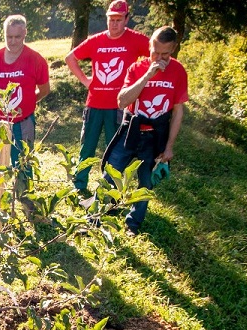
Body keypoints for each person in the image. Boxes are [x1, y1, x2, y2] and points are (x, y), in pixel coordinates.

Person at [104, 26, 188, 236]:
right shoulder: (137, 68)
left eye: (165, 54)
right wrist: (149, 74)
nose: (159, 58)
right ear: (149, 47)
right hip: (131, 129)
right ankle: (102, 215)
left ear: (173, 49)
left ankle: (133, 223)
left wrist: (169, 147)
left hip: (155, 135)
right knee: (110, 174)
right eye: (154, 52)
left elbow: (177, 112)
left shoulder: (178, 71)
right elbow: (122, 101)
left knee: (146, 183)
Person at [65, 0, 148, 194]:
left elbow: (155, 55)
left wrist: (143, 82)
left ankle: (112, 189)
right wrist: (86, 81)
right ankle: (79, 185)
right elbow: (70, 58)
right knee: (87, 147)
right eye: (111, 19)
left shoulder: (136, 39)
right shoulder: (97, 40)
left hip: (120, 107)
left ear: (127, 19)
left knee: (117, 152)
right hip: (94, 104)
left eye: (119, 20)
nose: (114, 24)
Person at [0, 15, 50, 201]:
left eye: (17, 37)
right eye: (9, 37)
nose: (13, 42)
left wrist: (29, 104)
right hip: (0, 121)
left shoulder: (35, 59)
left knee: (22, 164)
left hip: (23, 123)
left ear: (25, 34)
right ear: (4, 35)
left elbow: (45, 89)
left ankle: (26, 202)